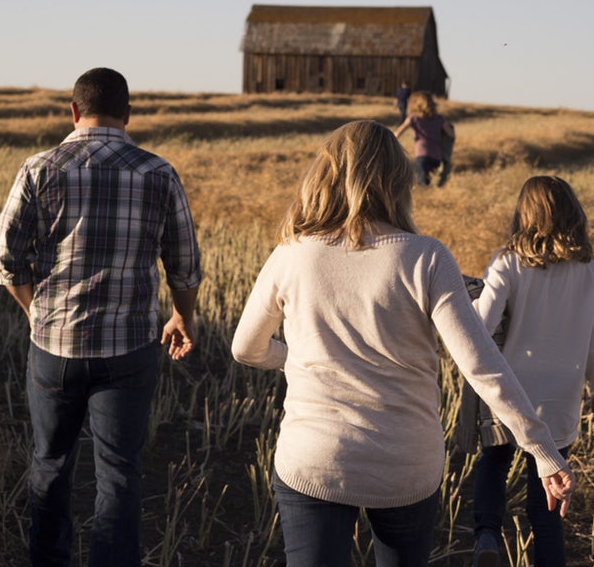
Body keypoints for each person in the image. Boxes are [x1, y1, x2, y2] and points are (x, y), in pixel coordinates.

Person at [231, 121, 573, 567]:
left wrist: (299, 358)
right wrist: (542, 451)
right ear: (398, 179)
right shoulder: (427, 257)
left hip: (314, 460)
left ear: (326, 175)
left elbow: (246, 348)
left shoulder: (292, 253)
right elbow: (480, 365)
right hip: (406, 466)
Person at [0, 67, 202, 566]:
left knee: (49, 465)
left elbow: (7, 258)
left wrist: (34, 312)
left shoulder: (39, 168)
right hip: (129, 351)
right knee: (120, 472)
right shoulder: (157, 172)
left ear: (73, 111)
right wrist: (182, 317)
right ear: (128, 115)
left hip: (54, 348)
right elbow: (185, 266)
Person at [469, 176, 594, 567]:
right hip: (561, 397)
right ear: (574, 215)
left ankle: (486, 534)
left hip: (510, 391)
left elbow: (481, 325)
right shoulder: (591, 272)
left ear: (524, 214)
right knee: (547, 501)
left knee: (494, 462)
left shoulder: (508, 262)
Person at [395, 91, 455, 187]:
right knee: (430, 182)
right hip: (437, 157)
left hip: (422, 155)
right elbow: (451, 134)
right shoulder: (439, 118)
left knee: (421, 184)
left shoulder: (413, 118)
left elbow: (397, 133)